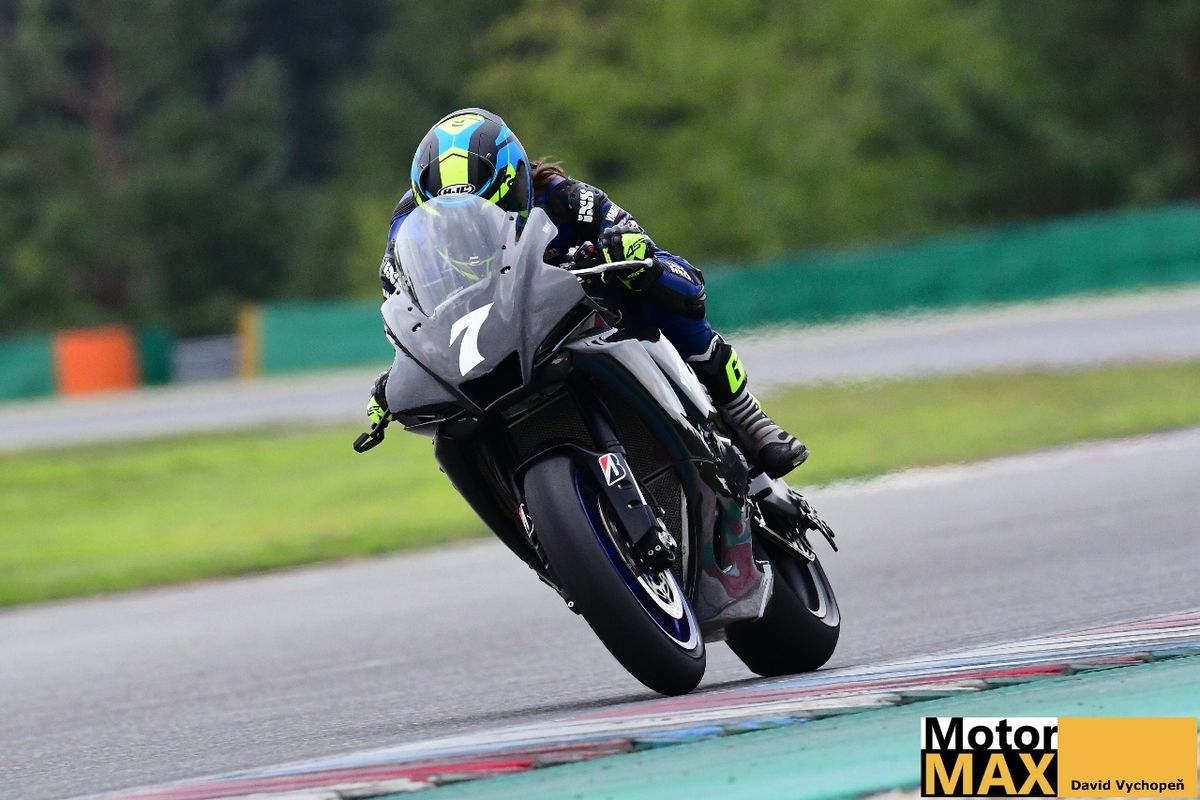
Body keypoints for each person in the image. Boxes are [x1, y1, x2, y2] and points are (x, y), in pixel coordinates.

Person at [367, 108, 807, 479]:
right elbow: (407, 308)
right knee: (448, 428)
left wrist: (626, 252)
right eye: (452, 217)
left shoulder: (566, 198)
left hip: (580, 312)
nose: (468, 225)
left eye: (486, 208)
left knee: (661, 282)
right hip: (493, 340)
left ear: (516, 184)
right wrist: (403, 370)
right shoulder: (407, 230)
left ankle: (742, 411)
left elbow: (656, 256)